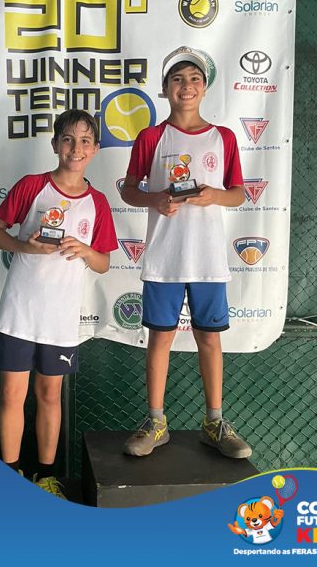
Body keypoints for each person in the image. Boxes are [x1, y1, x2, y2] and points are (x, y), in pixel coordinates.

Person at [119, 46, 252, 459]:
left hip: (208, 261)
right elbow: (128, 189)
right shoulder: (151, 137)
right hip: (164, 258)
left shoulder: (223, 137)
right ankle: (156, 421)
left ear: (205, 87)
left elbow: (238, 194)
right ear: (165, 89)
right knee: (159, 338)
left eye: (194, 78)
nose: (187, 86)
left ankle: (214, 422)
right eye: (177, 79)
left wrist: (215, 195)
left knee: (209, 339)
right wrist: (155, 199)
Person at [0, 109, 117, 498]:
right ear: (56, 144)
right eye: (68, 140)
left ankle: (46, 477)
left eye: (85, 141)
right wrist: (23, 246)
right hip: (20, 311)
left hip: (60, 319)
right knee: (11, 395)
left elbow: (104, 263)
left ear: (95, 149)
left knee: (49, 396)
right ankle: (10, 475)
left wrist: (85, 249)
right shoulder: (32, 186)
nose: (76, 148)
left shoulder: (98, 203)